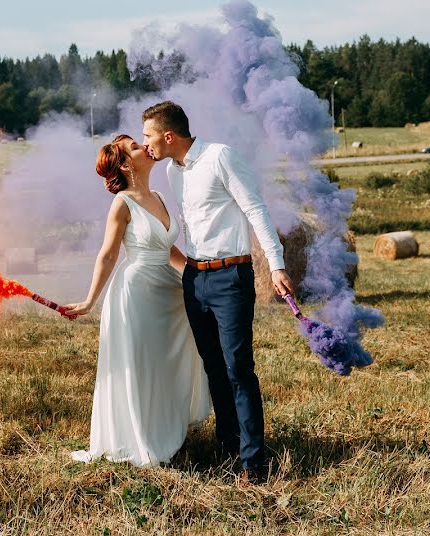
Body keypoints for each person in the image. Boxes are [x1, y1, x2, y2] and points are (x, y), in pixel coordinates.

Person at [142, 101, 294, 484]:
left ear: (169, 136)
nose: (146, 145)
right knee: (213, 368)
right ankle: (229, 447)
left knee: (239, 369)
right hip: (195, 279)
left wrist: (275, 265)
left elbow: (255, 209)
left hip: (231, 278)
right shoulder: (173, 173)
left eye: (148, 136)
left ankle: (254, 463)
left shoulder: (219, 157)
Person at [64, 134, 211, 467]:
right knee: (142, 363)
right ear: (127, 165)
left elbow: (168, 249)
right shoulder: (123, 203)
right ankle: (140, 438)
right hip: (137, 292)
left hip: (168, 289)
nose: (144, 147)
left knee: (168, 359)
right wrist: (89, 301)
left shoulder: (158, 195)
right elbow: (108, 255)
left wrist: (198, 276)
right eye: (134, 147)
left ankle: (166, 425)